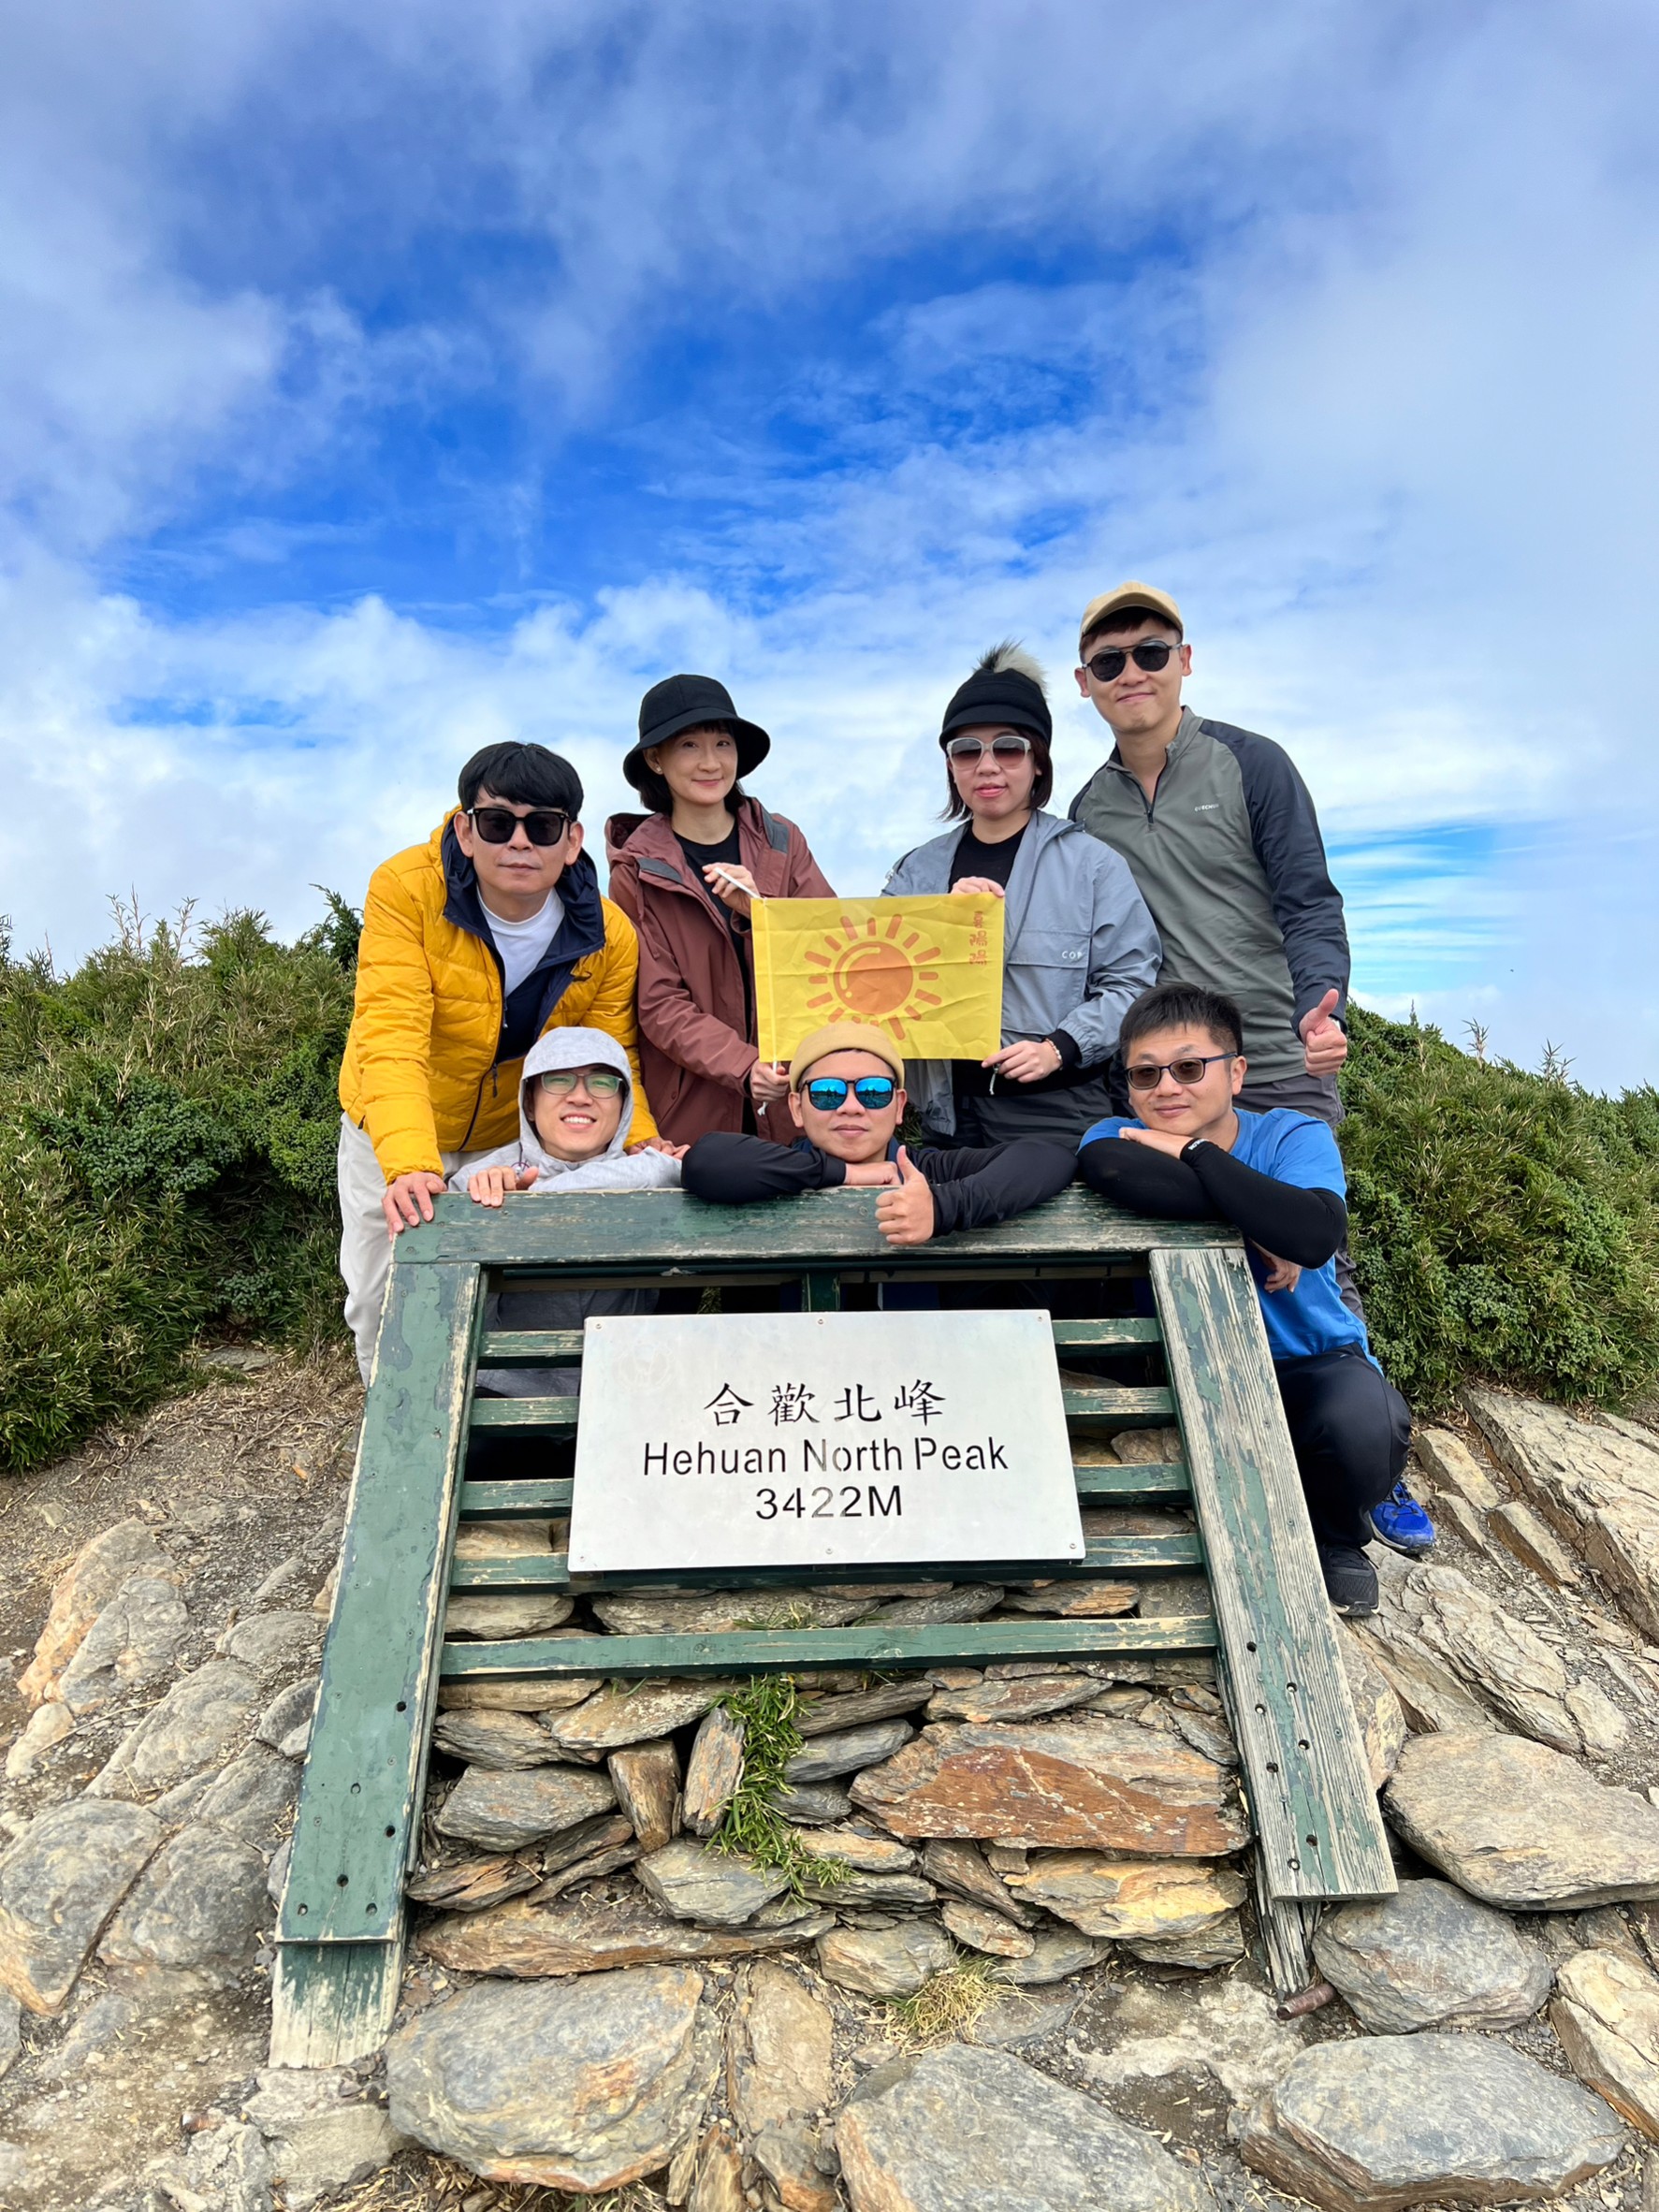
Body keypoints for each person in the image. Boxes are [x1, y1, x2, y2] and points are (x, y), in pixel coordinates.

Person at [1068, 580, 1432, 1557]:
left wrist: (1326, 1000)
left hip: (1271, 1049)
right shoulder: (1089, 805)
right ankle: (1231, 1436)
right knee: (1197, 1235)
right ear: (1086, 683)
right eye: (1111, 662)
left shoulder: (1250, 762)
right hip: (1169, 1067)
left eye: (1152, 652)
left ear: (1187, 658)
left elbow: (1310, 897)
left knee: (1314, 1258)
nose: (1132, 673)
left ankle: (1372, 1461)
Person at [1077, 982, 1413, 1616]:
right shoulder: (1114, 1136)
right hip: (1186, 1367)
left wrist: (1192, 1152)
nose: (1165, 1088)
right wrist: (1258, 1216)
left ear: (1235, 1073)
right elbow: (1112, 1170)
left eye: (1187, 1068)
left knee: (1364, 1423)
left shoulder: (1293, 1134)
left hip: (1307, 1362)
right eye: (1144, 1075)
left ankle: (1337, 1536)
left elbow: (1313, 1233)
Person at [336, 740, 657, 1379]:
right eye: (497, 823)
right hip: (392, 1128)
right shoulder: (404, 889)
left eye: (541, 826)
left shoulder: (609, 932)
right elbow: (391, 1031)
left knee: (500, 1305)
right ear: (465, 828)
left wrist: (644, 1141)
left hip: (507, 1147)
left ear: (571, 840)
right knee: (380, 1300)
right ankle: (396, 1452)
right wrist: (409, 1164)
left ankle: (481, 1442)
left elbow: (610, 1055)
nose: (519, 842)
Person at [880, 644, 1160, 1152]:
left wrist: (1060, 1048)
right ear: (950, 766)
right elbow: (879, 978)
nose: (987, 766)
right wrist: (941, 920)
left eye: (1008, 748)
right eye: (967, 750)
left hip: (1061, 1113)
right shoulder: (914, 871)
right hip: (946, 1117)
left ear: (1038, 761)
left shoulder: (1094, 865)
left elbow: (1132, 985)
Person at [606, 673, 835, 1146]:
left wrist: (761, 914)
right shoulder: (636, 869)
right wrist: (744, 1065)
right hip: (691, 1113)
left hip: (797, 1101)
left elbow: (831, 955)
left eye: (723, 744)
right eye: (688, 745)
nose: (710, 762)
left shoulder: (782, 842)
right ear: (655, 759)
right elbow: (658, 1003)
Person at [440, 1028, 683, 1397]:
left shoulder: (652, 1170)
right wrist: (490, 1218)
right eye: (559, 1080)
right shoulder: (484, 1179)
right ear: (530, 1103)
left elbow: (672, 1171)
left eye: (602, 1082)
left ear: (624, 1106)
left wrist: (535, 1199)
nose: (581, 1097)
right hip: (508, 1389)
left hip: (631, 1388)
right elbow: (446, 1313)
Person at [681, 1020, 1076, 1244]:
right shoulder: (776, 1167)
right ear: (797, 1108)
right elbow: (707, 1161)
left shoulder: (925, 1171)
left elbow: (1048, 1157)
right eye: (827, 1092)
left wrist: (941, 1209)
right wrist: (846, 1176)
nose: (850, 1105)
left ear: (900, 1105)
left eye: (873, 1091)